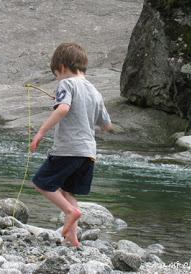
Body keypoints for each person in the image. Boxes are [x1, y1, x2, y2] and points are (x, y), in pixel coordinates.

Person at [30, 42, 112, 247]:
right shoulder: (95, 91)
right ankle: (73, 239)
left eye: (56, 74)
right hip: (88, 153)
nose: (57, 78)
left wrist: (40, 132)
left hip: (69, 149)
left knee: (41, 182)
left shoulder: (66, 84)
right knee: (68, 192)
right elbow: (106, 124)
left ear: (63, 67)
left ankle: (70, 211)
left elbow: (63, 109)